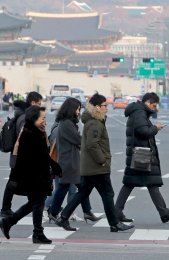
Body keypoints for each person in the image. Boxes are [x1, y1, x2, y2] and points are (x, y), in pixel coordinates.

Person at [55, 93, 133, 233]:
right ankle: (114, 223)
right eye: (105, 105)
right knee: (107, 193)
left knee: (83, 192)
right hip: (96, 166)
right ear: (97, 107)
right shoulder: (95, 122)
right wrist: (101, 160)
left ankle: (63, 217)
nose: (107, 108)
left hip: (88, 166)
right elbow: (92, 144)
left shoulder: (92, 121)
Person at [0, 106, 62, 244]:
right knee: (38, 203)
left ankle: (8, 222)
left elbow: (43, 155)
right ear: (34, 119)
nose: (45, 121)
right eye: (43, 118)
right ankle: (37, 233)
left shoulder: (38, 132)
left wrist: (54, 166)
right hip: (33, 177)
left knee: (34, 203)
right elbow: (29, 158)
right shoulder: (29, 134)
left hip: (37, 175)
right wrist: (51, 166)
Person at [115, 93, 169, 224]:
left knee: (134, 183)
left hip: (139, 153)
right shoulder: (139, 113)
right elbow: (144, 132)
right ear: (148, 102)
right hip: (141, 154)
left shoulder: (138, 112)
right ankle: (164, 213)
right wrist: (155, 128)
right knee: (149, 183)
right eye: (154, 105)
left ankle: (117, 212)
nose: (154, 108)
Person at [47, 97, 100, 223]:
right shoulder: (66, 123)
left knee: (80, 187)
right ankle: (54, 212)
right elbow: (78, 140)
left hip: (71, 160)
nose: (78, 112)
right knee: (64, 187)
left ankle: (86, 212)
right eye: (77, 109)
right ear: (71, 109)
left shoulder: (67, 123)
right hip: (68, 161)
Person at [0, 92, 43, 217]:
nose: (40, 107)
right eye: (39, 104)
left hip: (19, 156)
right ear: (33, 103)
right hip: (23, 156)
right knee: (20, 181)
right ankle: (35, 206)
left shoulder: (22, 116)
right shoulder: (25, 118)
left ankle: (7, 207)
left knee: (16, 180)